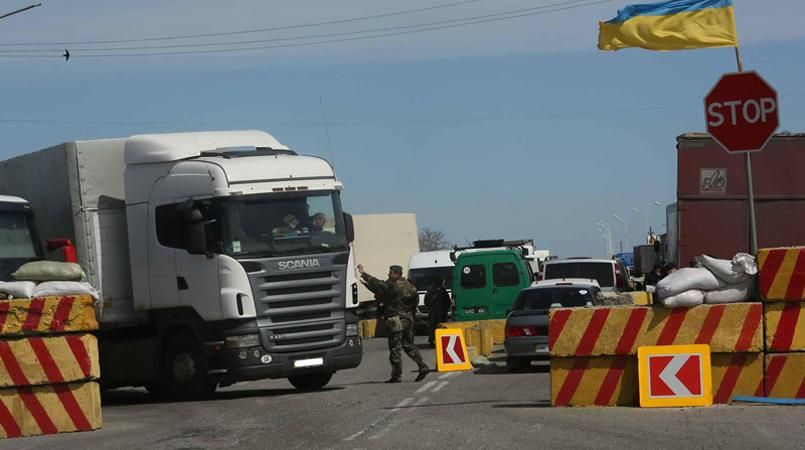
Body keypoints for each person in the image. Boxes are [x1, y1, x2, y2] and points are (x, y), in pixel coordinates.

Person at [358, 263, 429, 383]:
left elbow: (378, 284)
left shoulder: (392, 284)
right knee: (408, 345)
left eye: (390, 272)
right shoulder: (411, 286)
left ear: (395, 273)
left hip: (396, 320)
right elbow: (414, 303)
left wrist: (363, 273)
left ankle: (396, 375)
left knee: (395, 347)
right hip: (408, 320)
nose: (388, 274)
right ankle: (422, 366)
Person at [424, 277, 451, 346]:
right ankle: (441, 340)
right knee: (441, 326)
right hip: (441, 312)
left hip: (432, 312)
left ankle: (432, 339)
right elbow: (448, 302)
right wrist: (446, 309)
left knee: (432, 326)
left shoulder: (430, 290)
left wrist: (430, 308)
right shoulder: (443, 291)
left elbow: (426, 301)